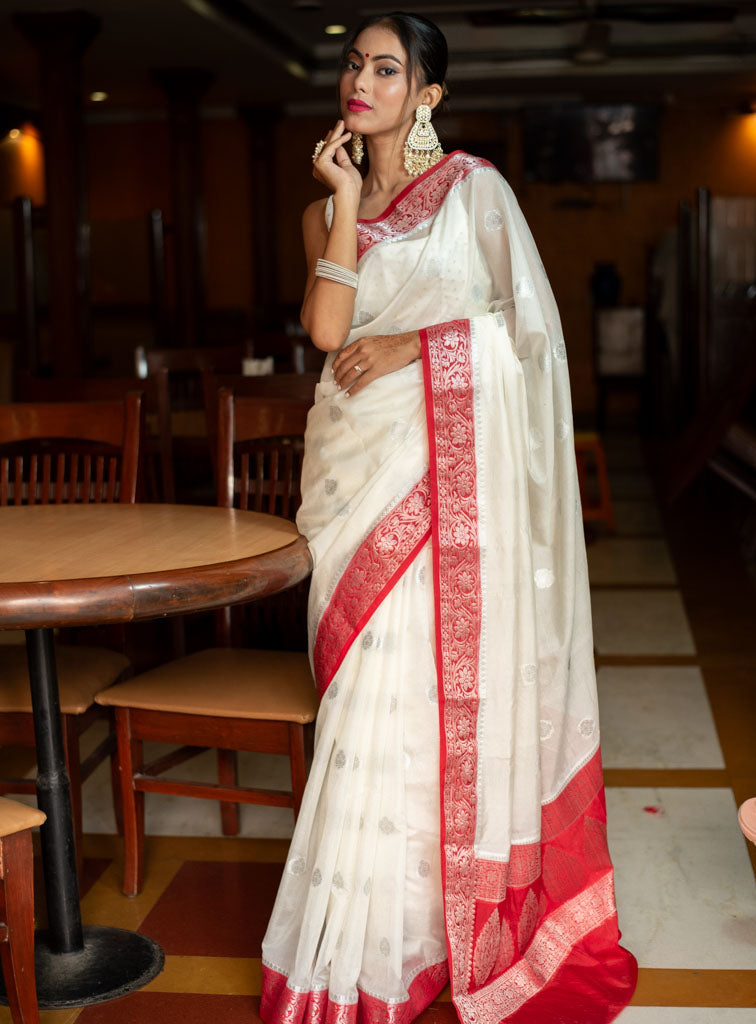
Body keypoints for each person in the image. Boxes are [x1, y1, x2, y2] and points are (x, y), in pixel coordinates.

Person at [261, 12, 637, 1024]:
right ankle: (364, 936)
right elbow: (328, 330)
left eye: (388, 68)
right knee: (359, 709)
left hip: (440, 481)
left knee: (426, 706)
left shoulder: (476, 192)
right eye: (355, 63)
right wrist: (343, 198)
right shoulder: (321, 208)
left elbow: (531, 335)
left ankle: (426, 930)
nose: (362, 79)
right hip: (355, 480)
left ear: (426, 94)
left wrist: (419, 348)